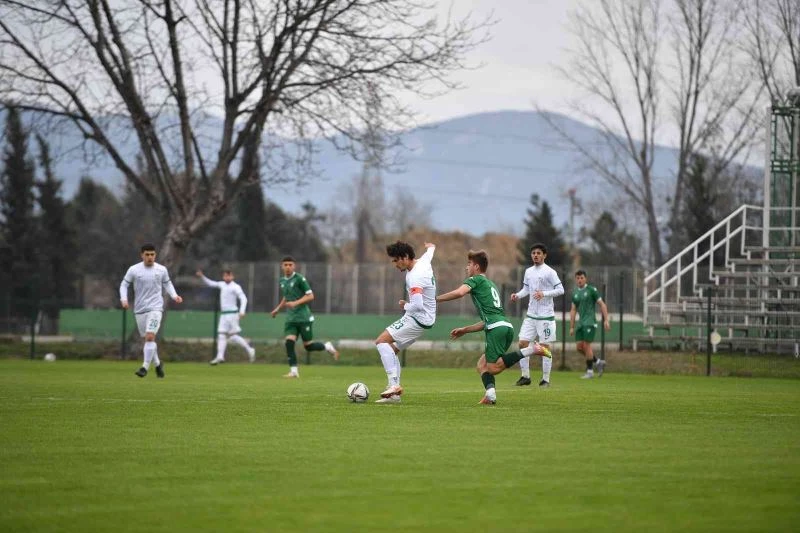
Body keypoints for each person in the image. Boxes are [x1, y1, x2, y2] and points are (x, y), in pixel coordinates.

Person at [437, 250, 551, 405]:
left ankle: (533, 350)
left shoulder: (475, 280)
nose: (466, 268)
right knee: (482, 365)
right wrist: (465, 330)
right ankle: (490, 395)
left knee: (493, 368)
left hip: (496, 329)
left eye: (469, 264)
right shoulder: (490, 284)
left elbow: (459, 292)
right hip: (504, 326)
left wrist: (436, 299)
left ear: (476, 267)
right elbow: (487, 321)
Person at [373, 241, 437, 404]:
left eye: (396, 260)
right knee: (391, 350)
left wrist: (404, 305)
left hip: (417, 318)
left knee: (381, 342)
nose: (394, 264)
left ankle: (394, 386)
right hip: (425, 319)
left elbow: (417, 305)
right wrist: (431, 246)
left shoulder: (415, 276)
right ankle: (394, 397)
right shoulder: (423, 262)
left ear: (406, 257)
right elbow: (430, 253)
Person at [120, 243, 183, 378]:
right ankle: (158, 365)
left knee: (150, 337)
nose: (150, 257)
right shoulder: (134, 270)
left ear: (155, 255)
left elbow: (167, 283)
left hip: (155, 308)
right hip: (140, 310)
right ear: (142, 255)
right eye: (147, 254)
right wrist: (124, 299)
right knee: (149, 341)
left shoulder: (161, 270)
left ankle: (144, 367)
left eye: (152, 254)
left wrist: (174, 295)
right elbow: (124, 284)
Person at [270, 256, 338, 378]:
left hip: (304, 318)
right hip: (291, 319)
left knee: (308, 346)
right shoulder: (282, 281)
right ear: (282, 266)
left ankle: (327, 346)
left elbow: (311, 296)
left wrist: (295, 303)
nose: (288, 267)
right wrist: (277, 309)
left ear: (294, 266)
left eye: (290, 264)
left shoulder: (300, 279)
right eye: (285, 265)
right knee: (289, 342)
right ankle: (294, 371)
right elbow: (286, 296)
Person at [510, 243, 564, 388]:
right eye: (533, 253)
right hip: (531, 315)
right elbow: (526, 289)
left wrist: (544, 293)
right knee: (522, 343)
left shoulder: (550, 272)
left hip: (546, 316)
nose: (535, 255)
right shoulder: (528, 271)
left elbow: (561, 289)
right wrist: (517, 295)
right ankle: (525, 376)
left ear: (544, 255)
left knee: (544, 348)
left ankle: (545, 379)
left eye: (538, 253)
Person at [196, 268, 256, 365]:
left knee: (233, 336)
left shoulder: (236, 287)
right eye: (225, 275)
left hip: (232, 314)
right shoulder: (222, 285)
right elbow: (210, 283)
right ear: (223, 276)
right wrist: (202, 276)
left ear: (232, 276)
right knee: (221, 334)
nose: (227, 277)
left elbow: (243, 298)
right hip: (223, 314)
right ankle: (220, 357)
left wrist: (242, 311)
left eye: (229, 275)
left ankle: (250, 349)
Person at [570, 270, 611, 379]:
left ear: (585, 279)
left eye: (582, 278)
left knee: (586, 346)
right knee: (579, 347)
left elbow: (602, 305)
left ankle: (590, 371)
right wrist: (572, 326)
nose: (580, 280)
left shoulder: (591, 290)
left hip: (590, 322)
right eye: (578, 278)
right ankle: (598, 362)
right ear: (576, 279)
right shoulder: (575, 293)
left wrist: (606, 320)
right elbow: (573, 310)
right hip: (581, 323)